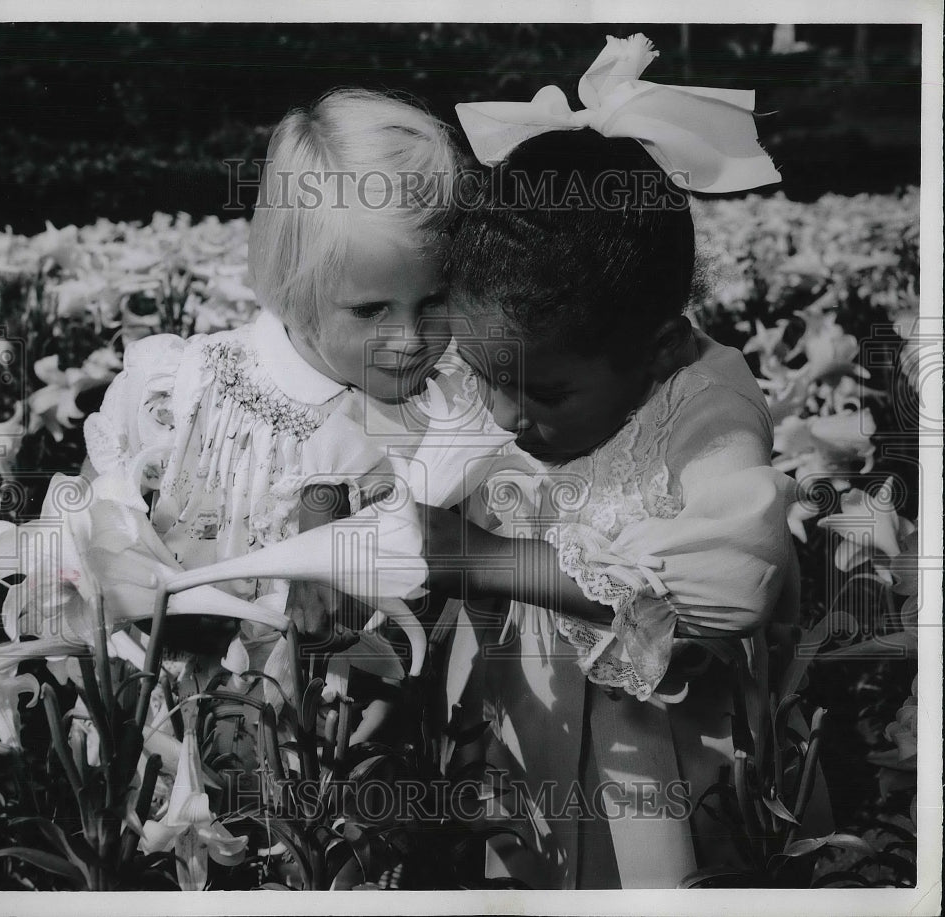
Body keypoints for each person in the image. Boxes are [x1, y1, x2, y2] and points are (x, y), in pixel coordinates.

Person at [420, 35, 829, 888]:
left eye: (547, 393)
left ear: (660, 347)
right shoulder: (519, 368)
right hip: (521, 739)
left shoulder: (702, 399)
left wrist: (481, 558)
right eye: (487, 375)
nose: (501, 414)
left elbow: (732, 581)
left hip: (661, 765)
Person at [80, 88, 460, 729]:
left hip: (359, 736)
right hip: (174, 716)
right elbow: (93, 541)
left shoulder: (452, 418)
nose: (412, 340)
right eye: (371, 310)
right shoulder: (183, 390)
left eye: (436, 300)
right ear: (296, 284)